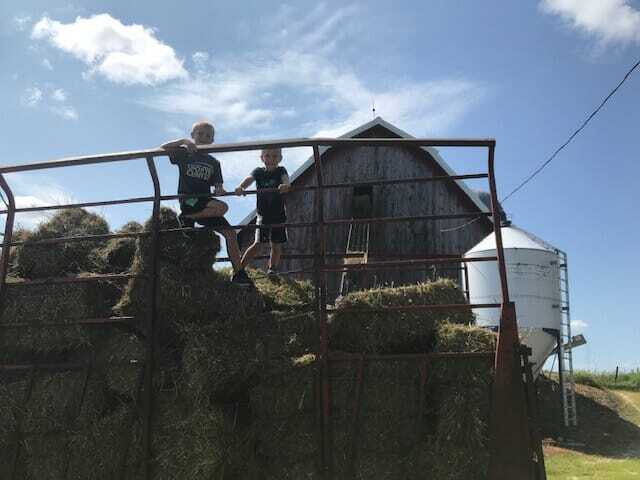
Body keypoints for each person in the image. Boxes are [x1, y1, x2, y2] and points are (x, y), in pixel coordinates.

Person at [160, 120, 251, 285]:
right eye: (200, 134)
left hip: (205, 205)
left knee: (231, 233)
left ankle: (239, 273)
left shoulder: (214, 162)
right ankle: (188, 216)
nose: (204, 137)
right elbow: (163, 147)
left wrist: (219, 190)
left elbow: (218, 185)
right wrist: (183, 142)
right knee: (222, 207)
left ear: (212, 140)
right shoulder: (185, 154)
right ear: (192, 135)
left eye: (208, 136)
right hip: (189, 199)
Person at [235, 148, 290, 277]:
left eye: (275, 156)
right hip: (263, 215)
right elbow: (249, 179)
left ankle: (272, 268)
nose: (271, 159)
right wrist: (241, 187)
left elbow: (286, 180)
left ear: (280, 158)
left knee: (276, 245)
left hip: (279, 214)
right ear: (262, 158)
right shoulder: (258, 172)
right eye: (267, 155)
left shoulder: (281, 171)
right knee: (258, 243)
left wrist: (286, 185)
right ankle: (239, 267)